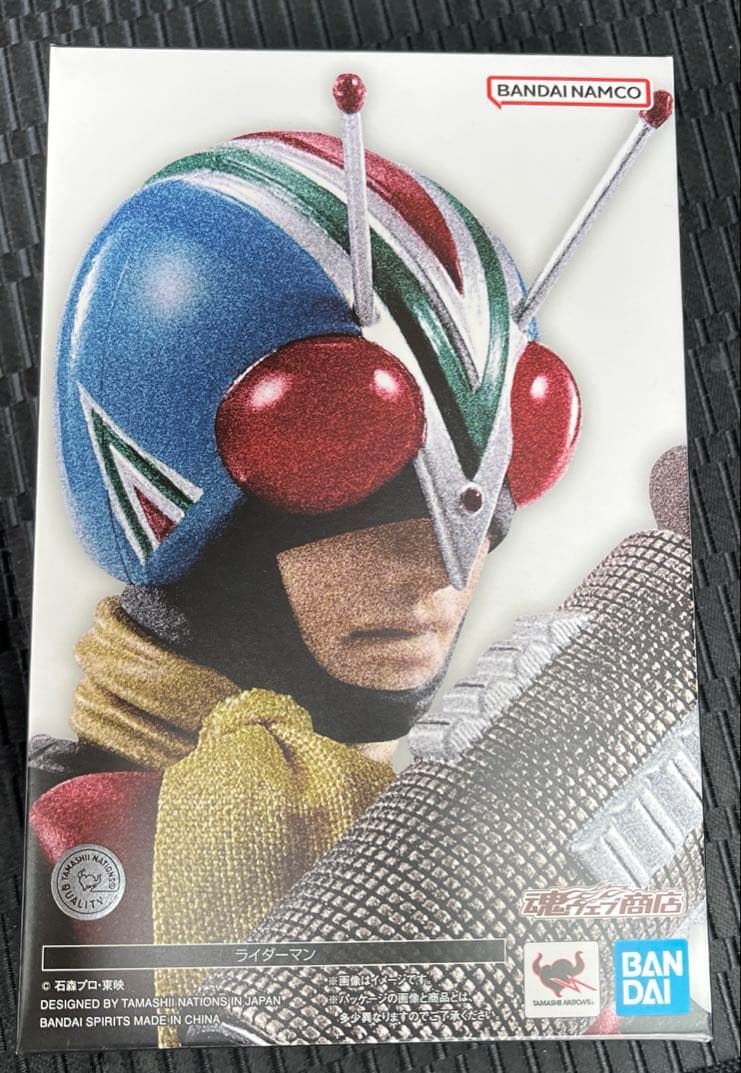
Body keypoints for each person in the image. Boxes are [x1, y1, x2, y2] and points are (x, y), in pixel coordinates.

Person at [27, 89, 581, 1022]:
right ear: (186, 517)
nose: (441, 577)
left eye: (477, 520)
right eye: (352, 506)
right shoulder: (62, 849)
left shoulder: (472, 817)